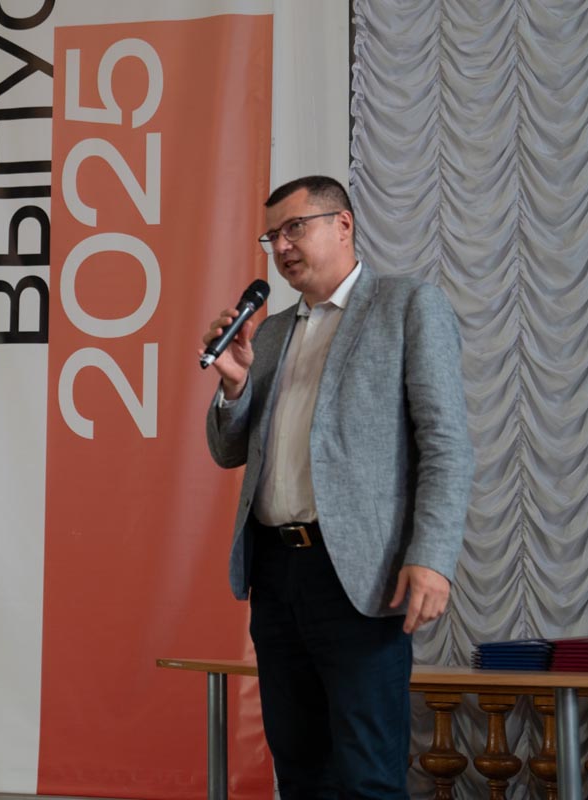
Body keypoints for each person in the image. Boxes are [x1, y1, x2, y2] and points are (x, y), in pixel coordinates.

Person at [203, 176, 473, 797]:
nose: (281, 246)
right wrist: (234, 387)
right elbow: (228, 451)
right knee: (299, 767)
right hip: (276, 574)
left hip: (358, 574)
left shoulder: (407, 306)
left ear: (343, 225)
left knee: (365, 773)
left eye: (294, 228)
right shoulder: (271, 333)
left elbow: (446, 444)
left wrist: (432, 557)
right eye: (272, 236)